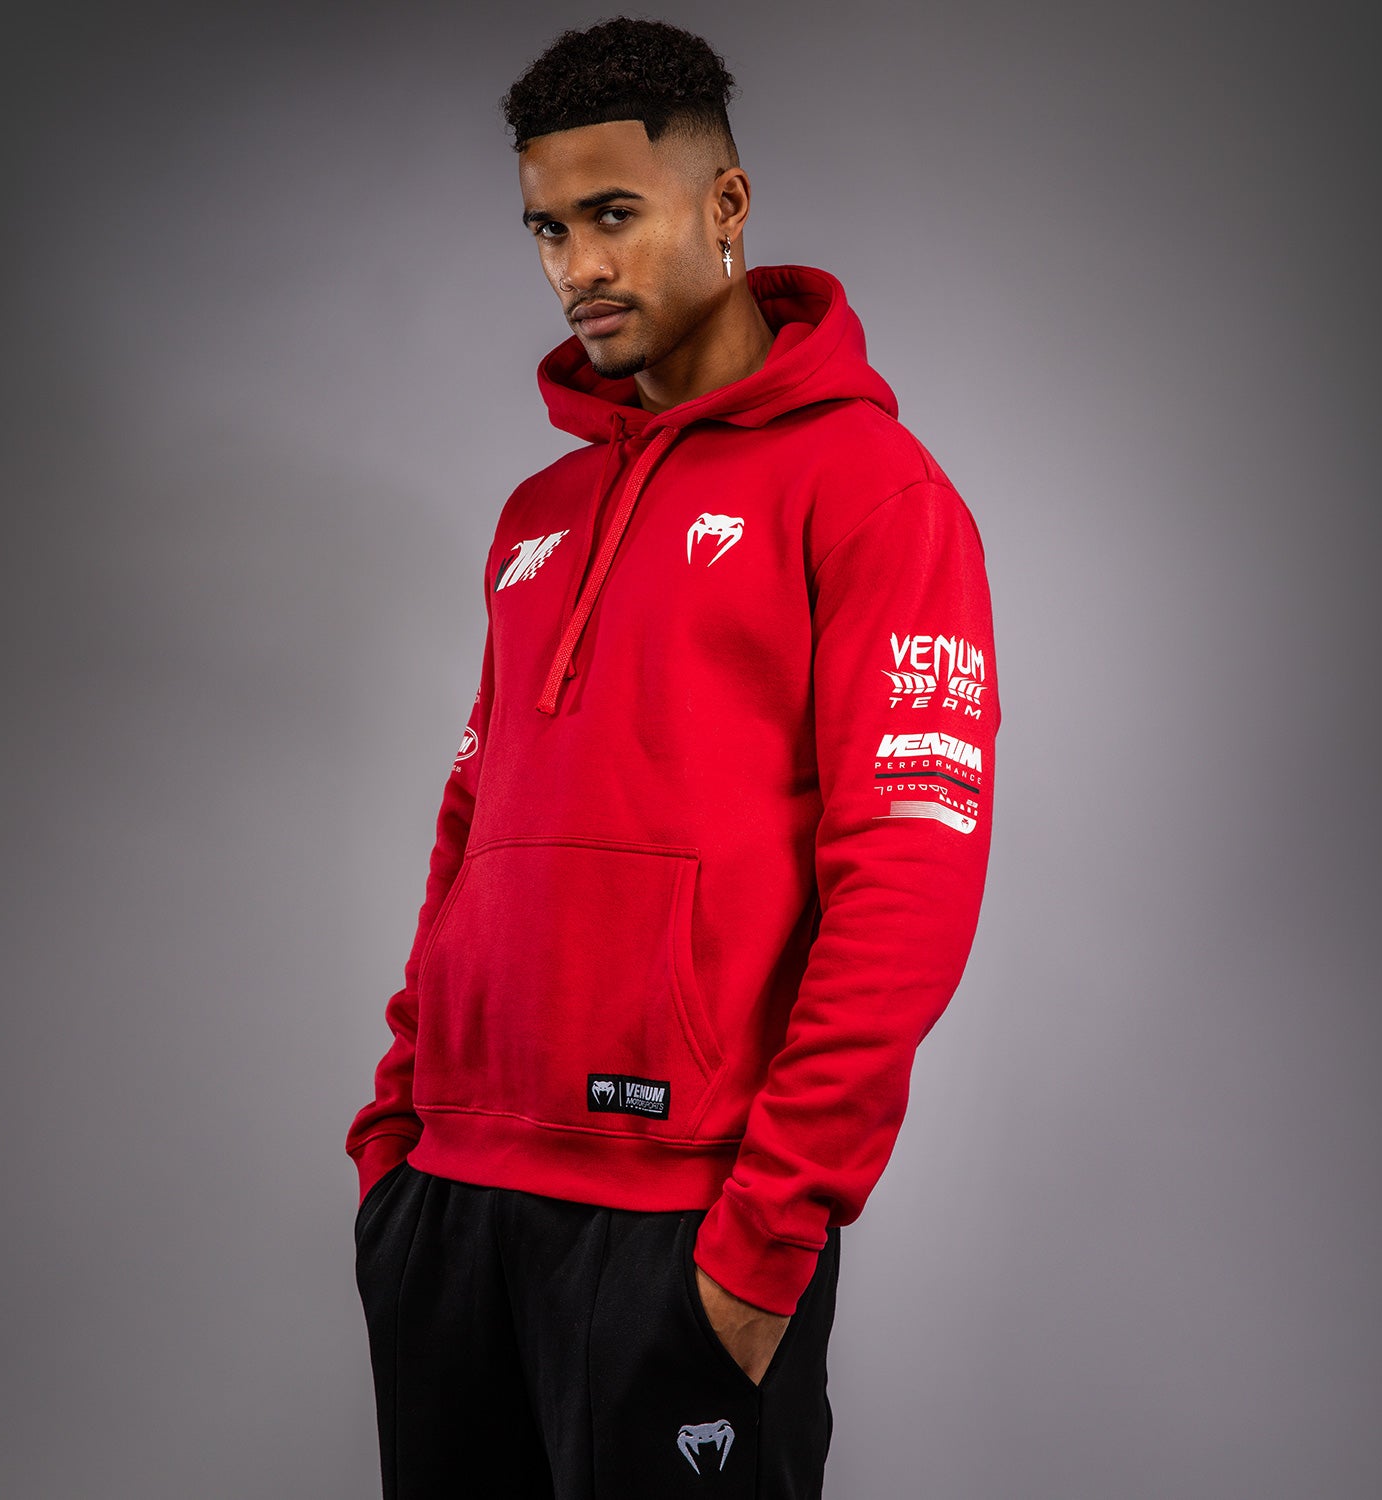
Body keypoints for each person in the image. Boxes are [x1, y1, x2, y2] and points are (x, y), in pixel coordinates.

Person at [346, 17, 999, 1498]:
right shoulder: (538, 514)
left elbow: (908, 880)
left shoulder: (873, 494)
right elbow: (473, 823)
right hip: (451, 1197)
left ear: (726, 205)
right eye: (546, 228)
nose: (576, 265)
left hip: (680, 1220)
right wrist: (396, 1130)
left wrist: (771, 1231)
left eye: (612, 215)